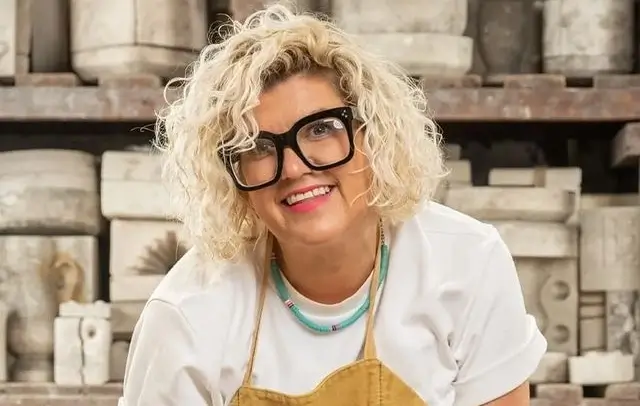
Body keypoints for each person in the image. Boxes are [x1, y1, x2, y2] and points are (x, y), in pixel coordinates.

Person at [119, 4, 547, 406]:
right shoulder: (185, 316)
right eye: (258, 147)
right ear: (233, 177)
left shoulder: (466, 264)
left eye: (320, 129)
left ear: (373, 134)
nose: (293, 168)